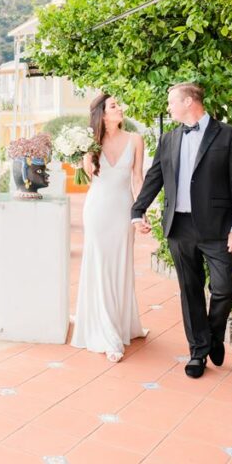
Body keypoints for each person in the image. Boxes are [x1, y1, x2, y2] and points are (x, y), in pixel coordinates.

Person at [132, 83, 232, 379]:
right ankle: (198, 352)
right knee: (190, 290)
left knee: (225, 286)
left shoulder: (230, 135)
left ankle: (213, 334)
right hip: (179, 227)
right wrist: (138, 210)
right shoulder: (169, 138)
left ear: (188, 101)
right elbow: (154, 176)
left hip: (219, 228)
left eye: (171, 102)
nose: (168, 107)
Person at [70, 93, 147, 362]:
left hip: (123, 209)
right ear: (102, 114)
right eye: (114, 106)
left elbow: (137, 179)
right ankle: (107, 333)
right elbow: (89, 176)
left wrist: (141, 212)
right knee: (100, 264)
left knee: (121, 264)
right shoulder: (91, 144)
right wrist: (83, 150)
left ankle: (122, 322)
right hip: (98, 209)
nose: (120, 108)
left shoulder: (136, 140)